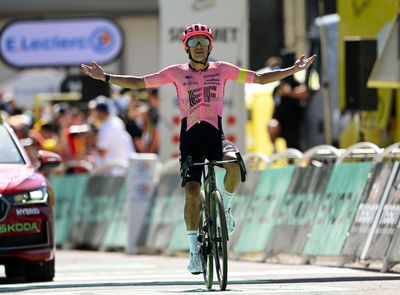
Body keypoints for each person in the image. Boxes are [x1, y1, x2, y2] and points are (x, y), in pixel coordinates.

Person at [81, 23, 316, 275]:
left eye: (203, 42)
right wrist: (106, 77)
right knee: (192, 192)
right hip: (190, 139)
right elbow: (140, 83)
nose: (199, 47)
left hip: (216, 136)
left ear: (210, 45)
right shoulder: (176, 73)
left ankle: (225, 208)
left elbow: (258, 78)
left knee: (235, 165)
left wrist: (292, 69)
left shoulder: (222, 70)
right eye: (193, 43)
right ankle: (194, 251)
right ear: (186, 48)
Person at [267, 52, 311, 151]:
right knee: (272, 125)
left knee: (293, 152)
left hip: (293, 124)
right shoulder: (276, 90)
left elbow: (305, 94)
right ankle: (274, 148)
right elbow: (275, 105)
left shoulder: (294, 84)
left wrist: (288, 93)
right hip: (280, 124)